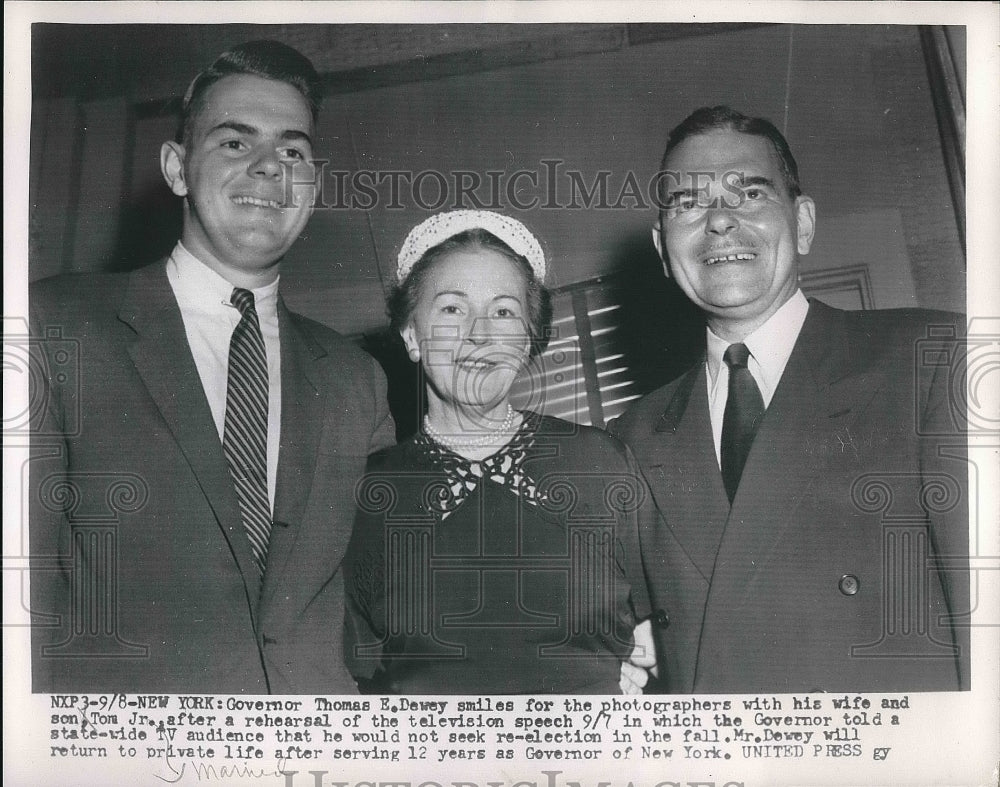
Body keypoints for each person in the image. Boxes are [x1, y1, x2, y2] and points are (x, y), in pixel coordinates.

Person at [28, 41, 394, 693]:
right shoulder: (57, 325)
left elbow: (383, 605)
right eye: (233, 142)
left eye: (293, 151)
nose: (268, 169)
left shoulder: (356, 379)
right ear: (175, 167)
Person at [610, 106, 969, 693]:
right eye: (687, 204)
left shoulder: (935, 359)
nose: (719, 222)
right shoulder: (632, 436)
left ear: (802, 223)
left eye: (748, 193)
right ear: (661, 247)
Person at [344, 210, 651, 693]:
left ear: (529, 340)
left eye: (504, 311)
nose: (480, 333)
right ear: (411, 337)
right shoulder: (362, 495)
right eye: (451, 309)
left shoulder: (602, 464)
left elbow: (662, 633)